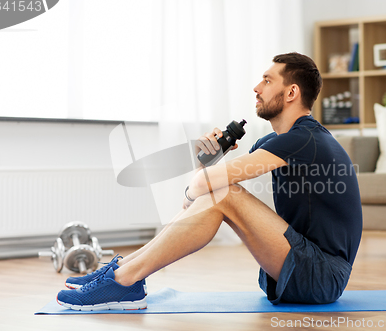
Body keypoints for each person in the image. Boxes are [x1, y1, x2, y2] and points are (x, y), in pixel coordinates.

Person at [57, 52, 362, 310]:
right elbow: (207, 187)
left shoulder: (304, 139)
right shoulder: (282, 140)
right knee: (221, 191)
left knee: (224, 192)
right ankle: (124, 272)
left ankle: (125, 280)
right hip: (300, 266)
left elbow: (210, 188)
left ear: (292, 93)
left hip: (321, 276)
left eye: (268, 81)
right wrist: (209, 164)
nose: (257, 88)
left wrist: (199, 188)